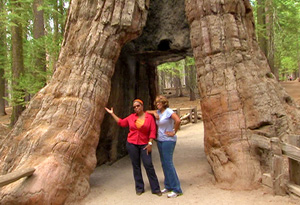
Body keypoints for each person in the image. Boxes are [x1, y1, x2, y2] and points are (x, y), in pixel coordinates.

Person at [105, 99, 162, 196]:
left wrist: (150, 143)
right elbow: (122, 123)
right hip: (132, 144)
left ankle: (155, 188)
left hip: (145, 144)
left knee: (148, 165)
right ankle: (139, 188)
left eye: (138, 106)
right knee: (136, 166)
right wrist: (112, 114)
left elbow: (152, 132)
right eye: (134, 107)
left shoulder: (149, 117)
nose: (136, 108)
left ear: (142, 106)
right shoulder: (131, 117)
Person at [150, 95, 183, 198]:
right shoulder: (159, 112)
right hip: (160, 140)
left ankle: (177, 189)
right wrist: (154, 112)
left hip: (168, 141)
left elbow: (178, 120)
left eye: (159, 102)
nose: (157, 104)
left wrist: (174, 131)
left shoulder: (168, 111)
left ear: (164, 103)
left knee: (168, 163)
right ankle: (168, 185)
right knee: (164, 163)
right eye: (156, 103)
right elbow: (146, 111)